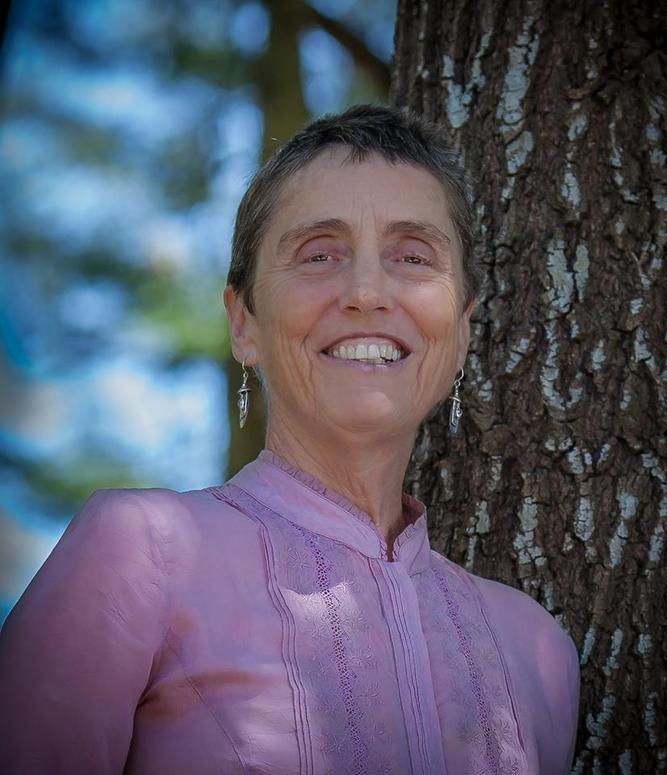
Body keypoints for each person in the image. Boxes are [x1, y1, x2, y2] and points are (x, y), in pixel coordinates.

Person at [0, 104, 580, 774]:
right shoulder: (139, 552)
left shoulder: (539, 652)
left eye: (413, 256)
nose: (366, 291)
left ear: (463, 331)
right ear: (243, 322)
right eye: (320, 254)